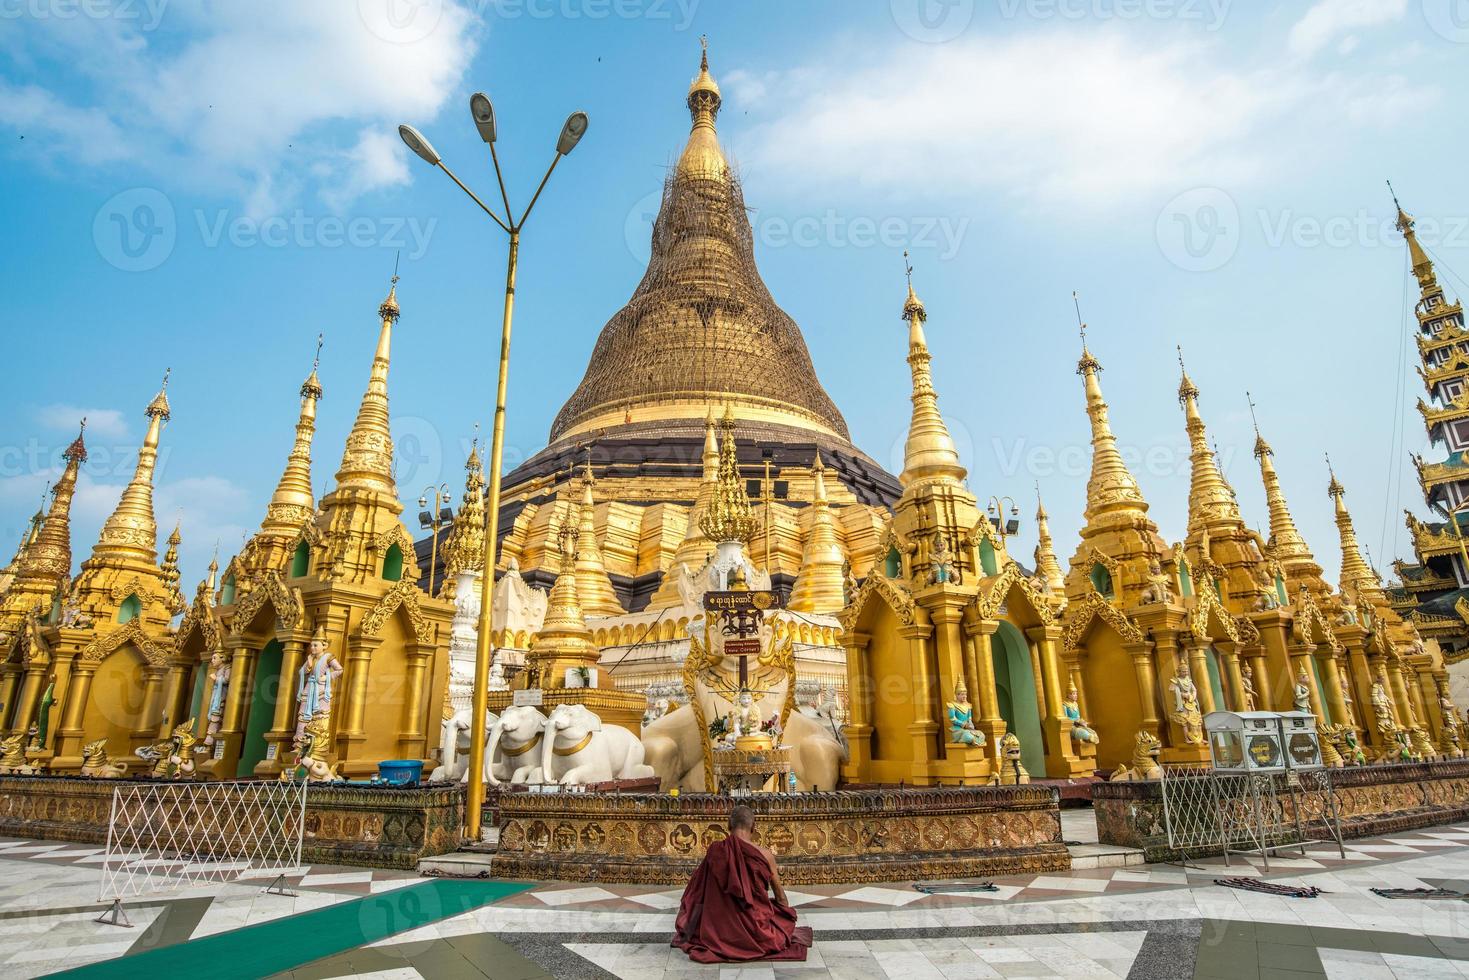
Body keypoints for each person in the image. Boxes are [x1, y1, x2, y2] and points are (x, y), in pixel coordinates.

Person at [673, 805, 813, 964]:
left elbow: (696, 895)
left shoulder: (716, 851)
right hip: (756, 931)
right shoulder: (765, 855)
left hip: (717, 931)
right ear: (753, 827)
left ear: (728, 825)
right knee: (781, 920)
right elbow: (780, 897)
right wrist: (787, 918)